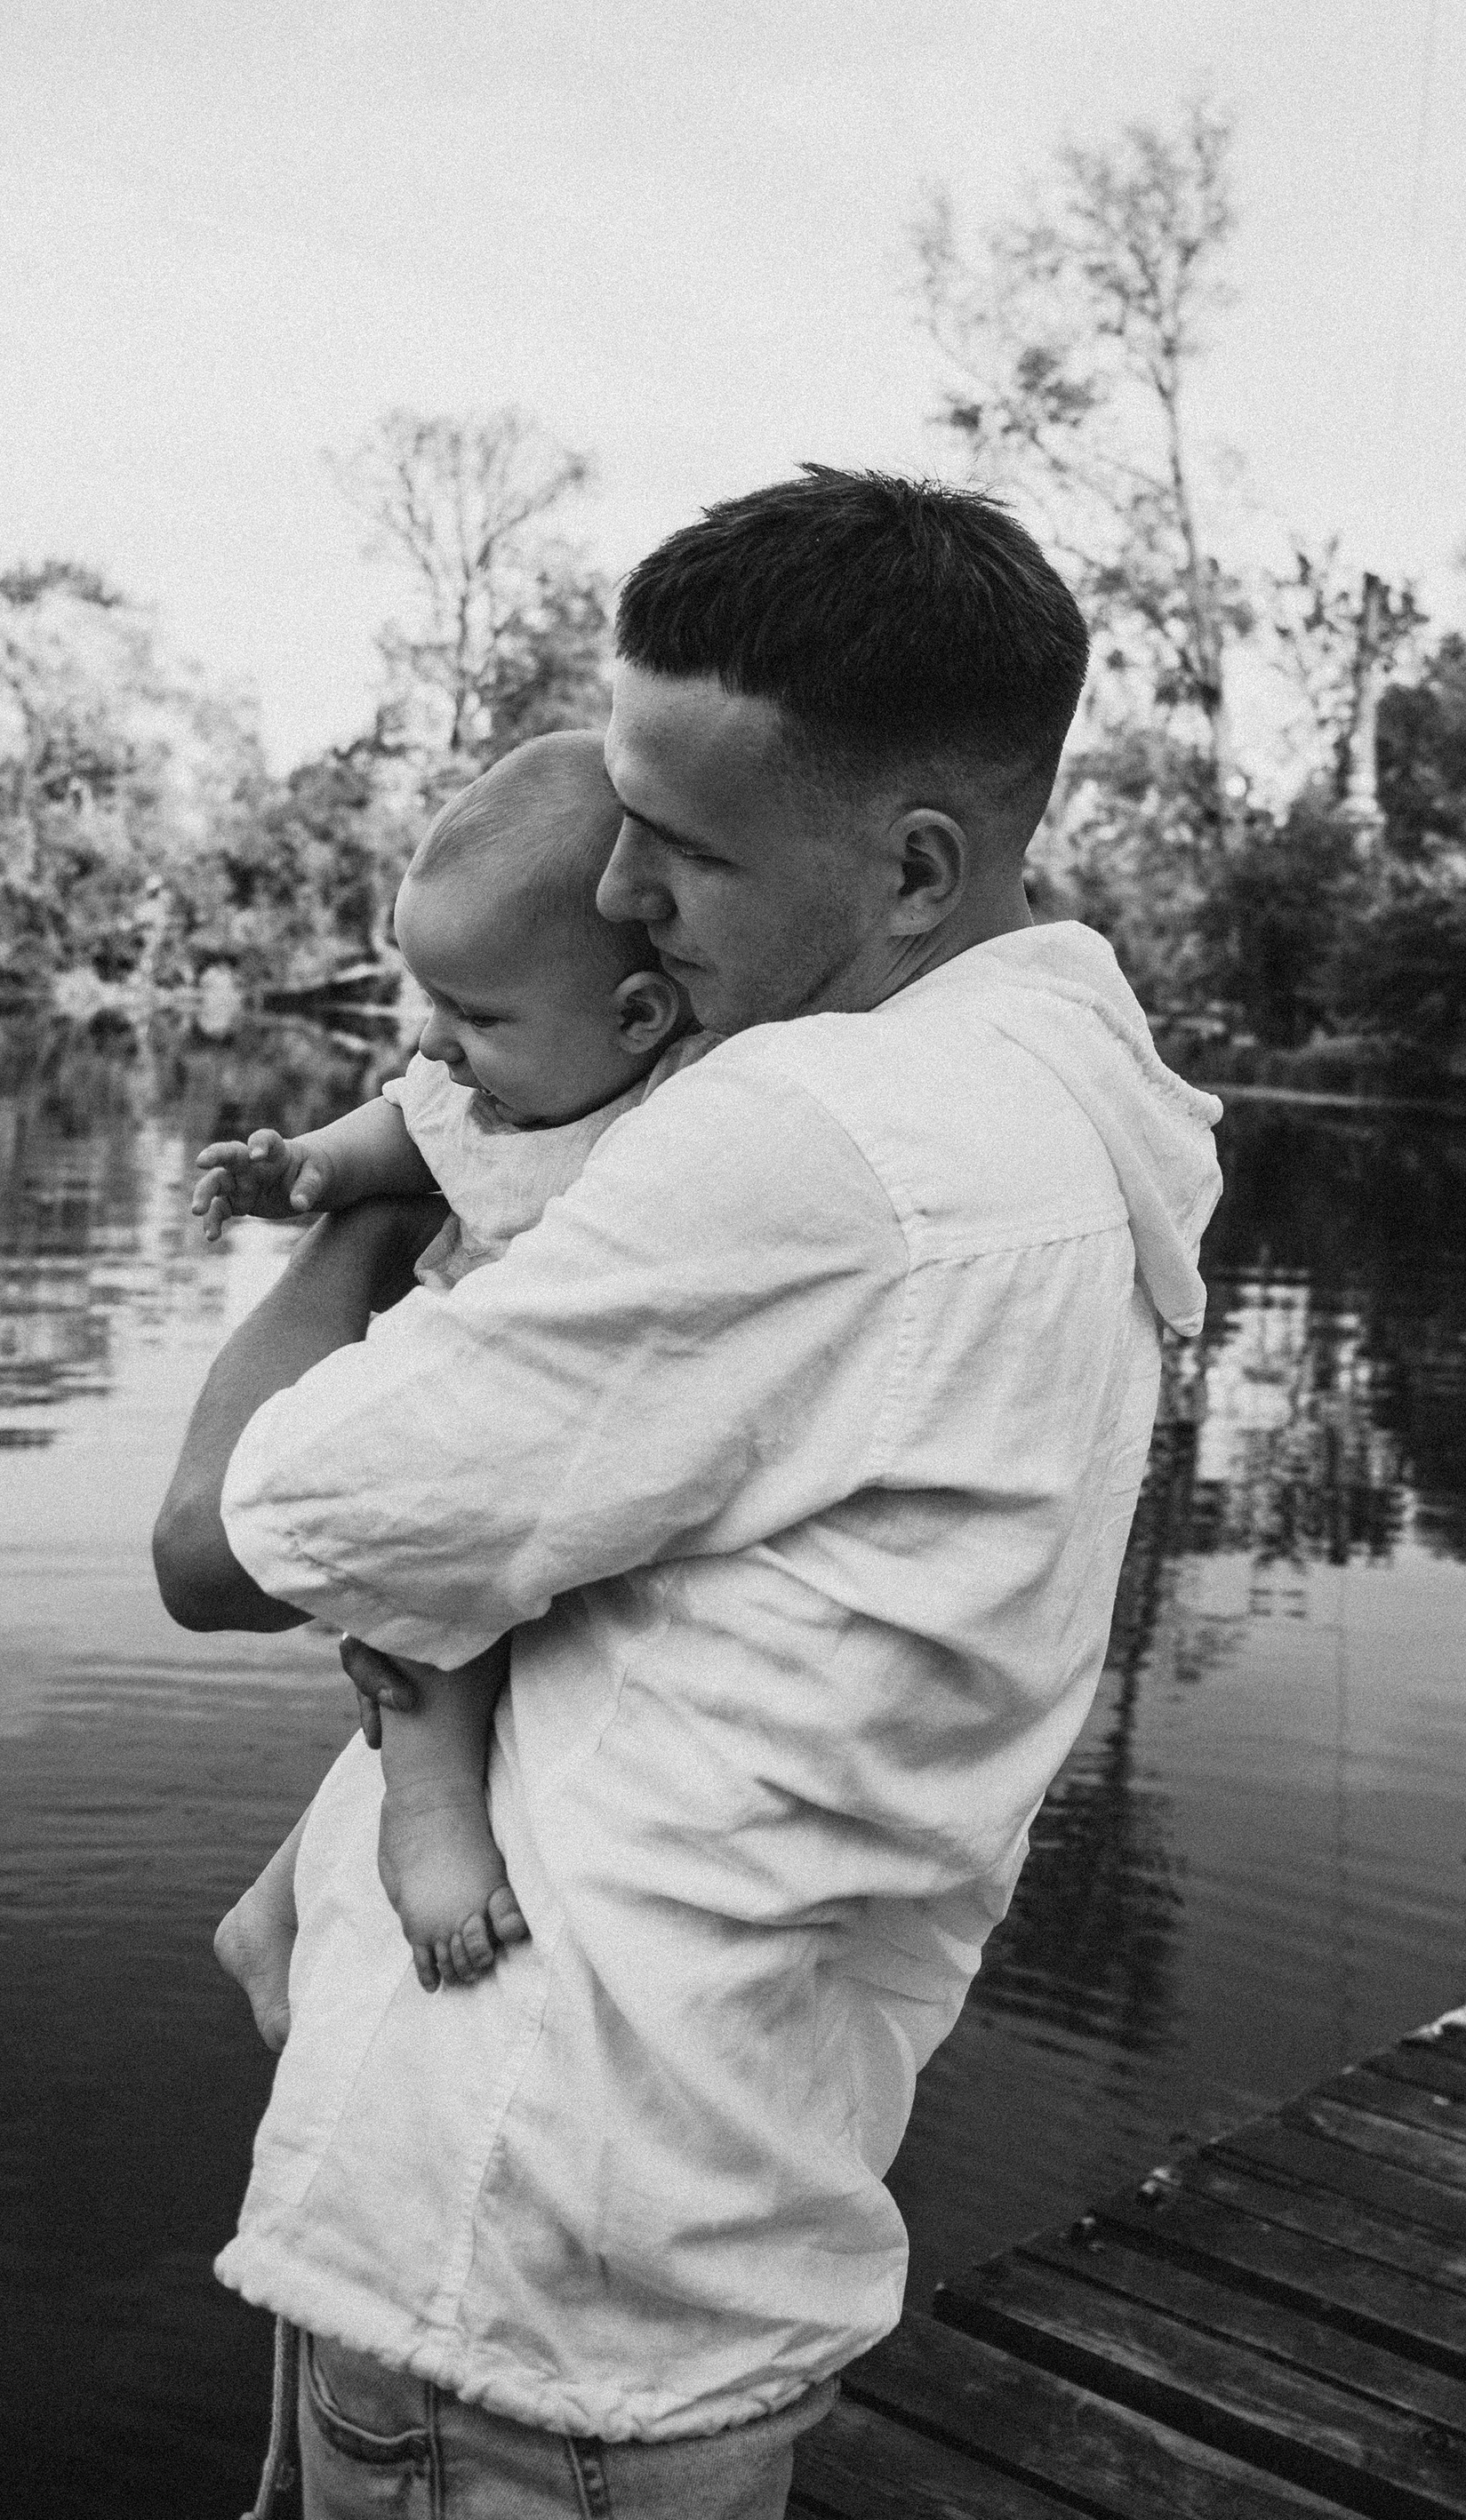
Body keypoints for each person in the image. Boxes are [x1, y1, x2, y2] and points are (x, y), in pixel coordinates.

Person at [152, 468, 1222, 2518]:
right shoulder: (1061, 1116)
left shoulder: (820, 1138)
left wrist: (410, 1169)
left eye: (684, 849)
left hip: (507, 2259)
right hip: (688, 2205)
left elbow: (226, 1541)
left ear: (913, 868)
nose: (622, 895)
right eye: (619, 814)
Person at [194, 731, 694, 2035]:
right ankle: (428, 1820)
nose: (436, 1045)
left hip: (561, 1419)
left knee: (522, 1620)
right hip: (464, 1409)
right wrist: (300, 1169)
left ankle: (278, 1902)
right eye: (433, 1003)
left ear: (637, 1018)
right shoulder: (482, 1093)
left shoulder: (679, 1116)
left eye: (475, 1016)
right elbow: (389, 1131)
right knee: (444, 1618)